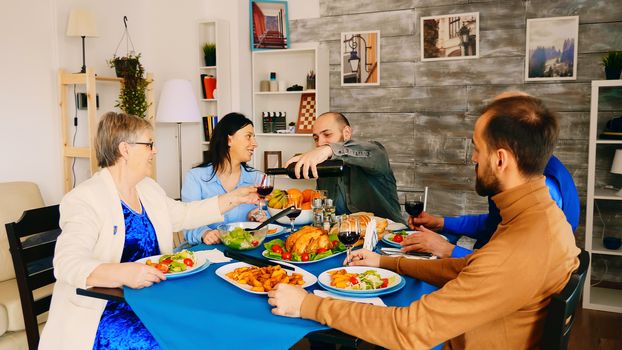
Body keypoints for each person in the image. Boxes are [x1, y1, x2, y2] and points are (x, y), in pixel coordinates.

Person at [267, 95, 580, 349]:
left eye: (476, 148)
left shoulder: (516, 249)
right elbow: (469, 268)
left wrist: (308, 305)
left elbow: (409, 331)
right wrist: (387, 263)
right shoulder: (544, 219)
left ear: (500, 160)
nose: (472, 158)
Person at [39, 112, 258, 349]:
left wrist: (233, 199)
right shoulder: (85, 199)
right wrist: (124, 273)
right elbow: (67, 263)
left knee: (208, 323)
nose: (155, 151)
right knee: (172, 341)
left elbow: (185, 214)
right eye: (149, 144)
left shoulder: (148, 188)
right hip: (107, 309)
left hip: (151, 299)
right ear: (125, 149)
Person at [404, 154, 580, 258]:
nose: (473, 157)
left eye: (479, 147)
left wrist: (447, 249)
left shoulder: (542, 197)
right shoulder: (527, 174)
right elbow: (493, 224)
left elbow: (508, 270)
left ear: (501, 155)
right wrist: (440, 223)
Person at [285, 111, 404, 224]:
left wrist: (329, 149)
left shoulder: (375, 154)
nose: (320, 143)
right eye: (316, 138)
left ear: (346, 133)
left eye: (327, 134)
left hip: (390, 237)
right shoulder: (324, 167)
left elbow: (373, 151)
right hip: (346, 237)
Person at [182, 112, 265, 245]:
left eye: (253, 137)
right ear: (229, 140)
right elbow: (186, 221)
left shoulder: (257, 178)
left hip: (245, 249)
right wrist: (204, 233)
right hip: (205, 253)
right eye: (248, 137)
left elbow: (267, 214)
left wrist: (259, 216)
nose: (255, 143)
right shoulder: (195, 177)